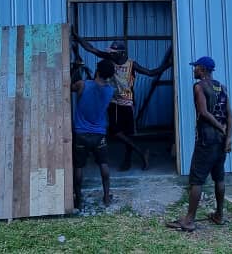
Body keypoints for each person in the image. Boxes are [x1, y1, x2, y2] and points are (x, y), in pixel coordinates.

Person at [72, 32, 172, 171]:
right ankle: (141, 152)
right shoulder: (109, 58)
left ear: (122, 53)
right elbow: (91, 48)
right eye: (111, 52)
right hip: (113, 101)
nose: (111, 54)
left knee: (128, 133)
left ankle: (128, 160)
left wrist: (168, 65)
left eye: (114, 52)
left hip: (127, 102)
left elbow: (151, 73)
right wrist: (77, 37)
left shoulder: (131, 64)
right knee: (115, 132)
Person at [166, 56, 232, 232]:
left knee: (196, 180)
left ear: (202, 69)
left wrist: (219, 127)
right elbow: (230, 115)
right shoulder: (222, 87)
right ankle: (219, 215)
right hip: (221, 141)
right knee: (219, 177)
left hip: (206, 139)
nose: (194, 70)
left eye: (196, 67)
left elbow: (203, 112)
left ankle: (189, 221)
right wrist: (228, 137)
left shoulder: (199, 86)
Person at [71, 59, 117, 208]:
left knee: (79, 166)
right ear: (110, 75)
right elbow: (100, 88)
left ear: (97, 70)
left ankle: (78, 199)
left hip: (81, 133)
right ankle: (106, 197)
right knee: (103, 164)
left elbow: (69, 86)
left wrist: (75, 69)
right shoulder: (110, 91)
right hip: (99, 134)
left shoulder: (82, 84)